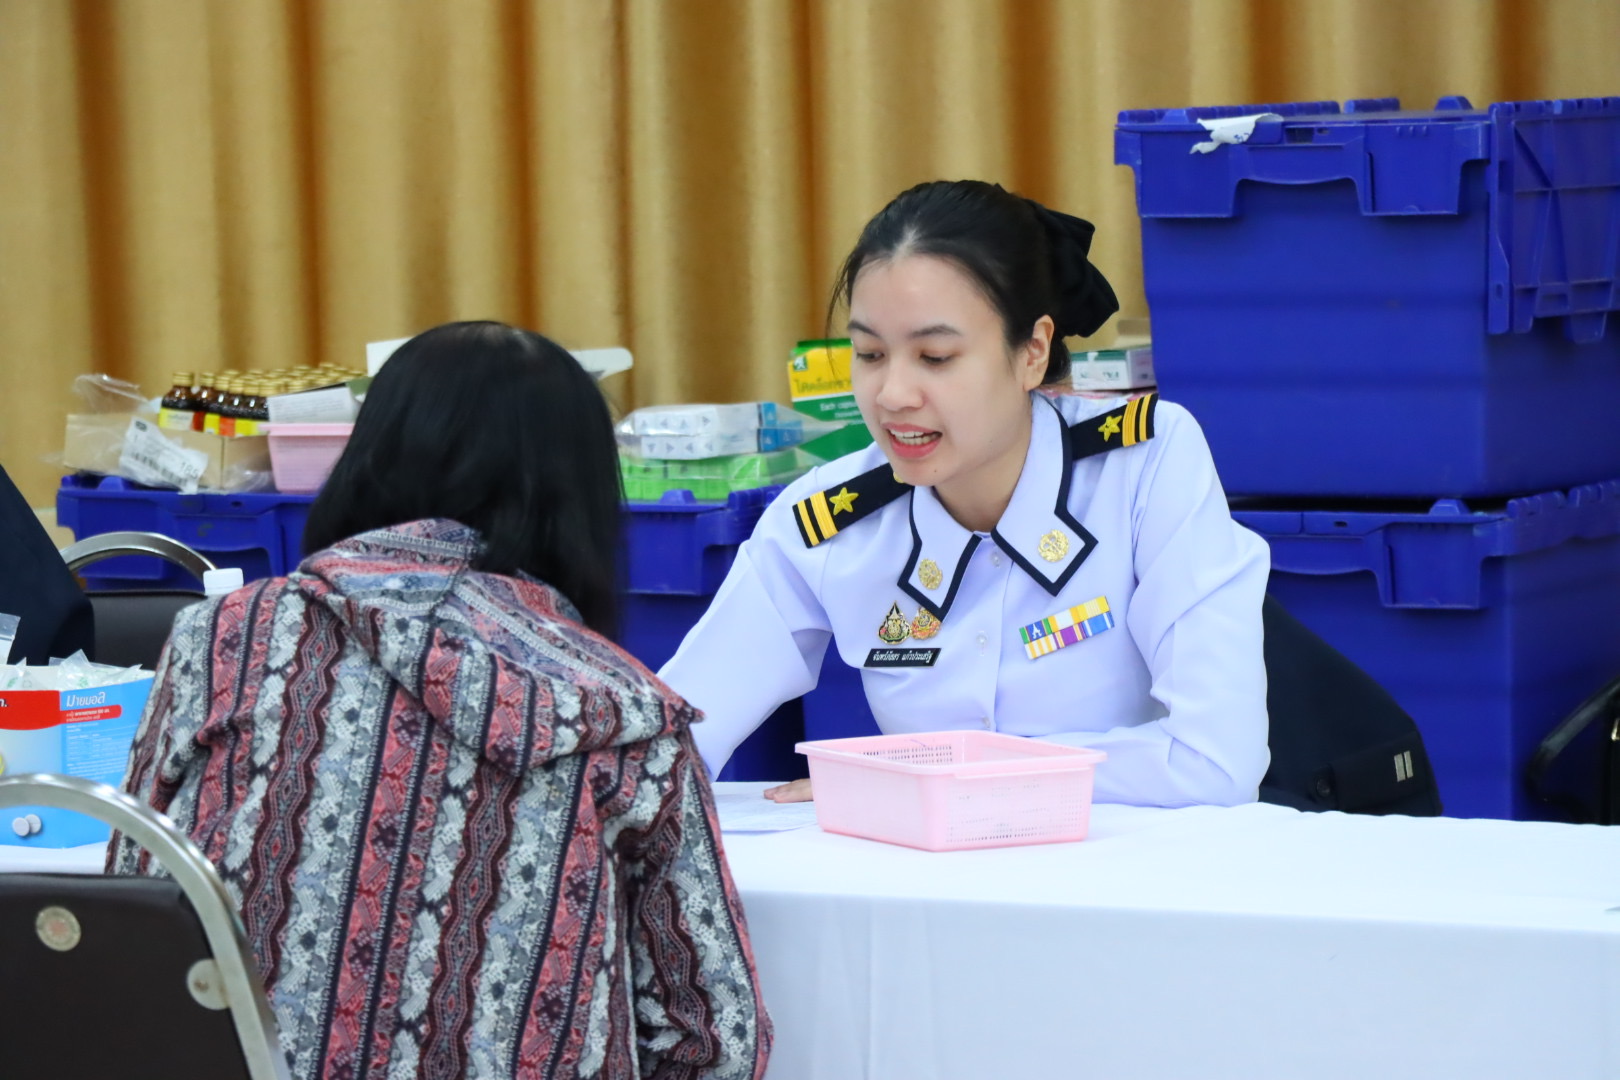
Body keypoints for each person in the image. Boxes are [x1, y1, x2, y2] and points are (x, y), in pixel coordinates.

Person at [109, 322, 772, 1080]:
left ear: (369, 456)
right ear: (581, 496)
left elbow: (129, 906)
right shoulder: (626, 711)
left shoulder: (227, 636)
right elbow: (716, 1038)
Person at [660, 180, 1271, 808]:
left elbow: (1214, 763)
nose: (893, 394)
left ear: (1032, 352)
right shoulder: (827, 519)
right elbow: (667, 745)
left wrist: (930, 779)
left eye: (936, 356)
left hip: (1131, 859)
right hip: (931, 865)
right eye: (869, 353)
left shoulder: (1142, 463)